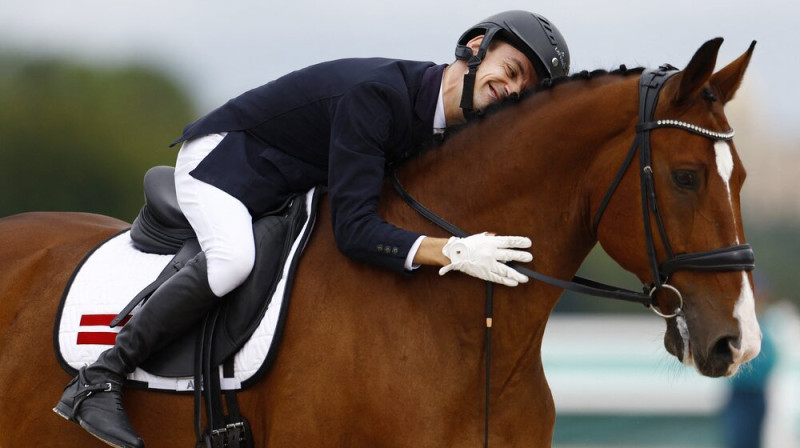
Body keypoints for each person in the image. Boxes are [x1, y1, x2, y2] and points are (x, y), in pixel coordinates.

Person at [53, 10, 571, 448]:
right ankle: (102, 375)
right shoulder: (381, 97)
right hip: (224, 165)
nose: (515, 88)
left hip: (286, 181)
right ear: (476, 48)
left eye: (528, 86)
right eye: (513, 68)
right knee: (233, 259)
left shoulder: (439, 126)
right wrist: (450, 251)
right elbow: (355, 230)